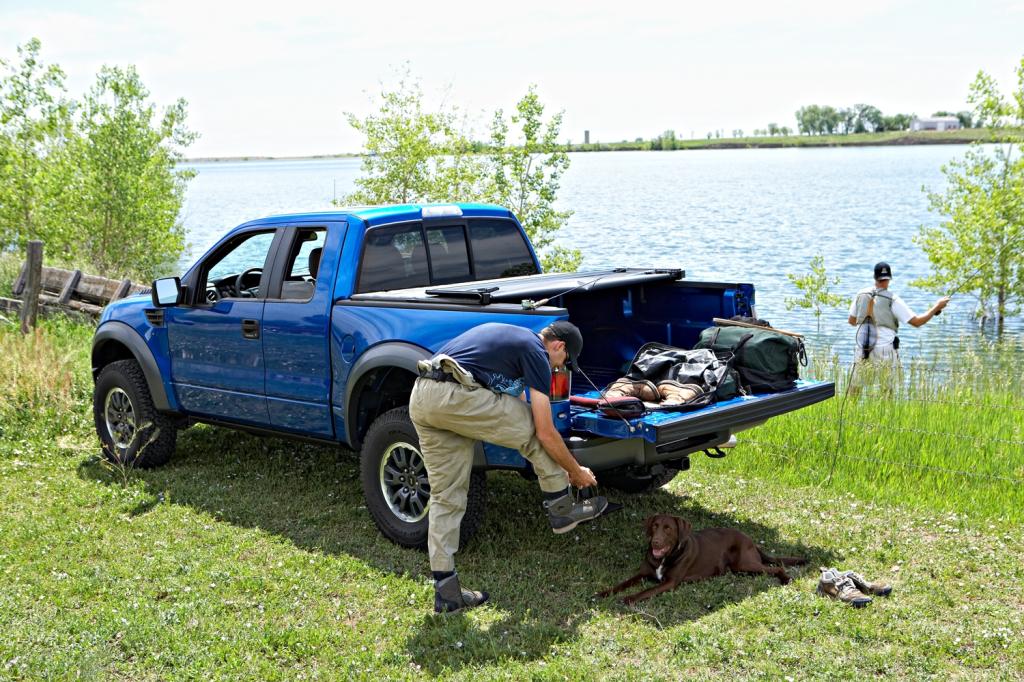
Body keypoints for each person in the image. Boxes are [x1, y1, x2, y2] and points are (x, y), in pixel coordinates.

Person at [409, 320, 611, 614]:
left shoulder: (512, 342)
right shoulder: (536, 351)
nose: (559, 368)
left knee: (446, 496)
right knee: (536, 428)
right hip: (454, 395)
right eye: (565, 362)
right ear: (559, 346)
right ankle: (561, 507)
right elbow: (543, 431)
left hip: (424, 396)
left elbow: (506, 410)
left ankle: (447, 591)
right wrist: (576, 470)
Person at [848, 262, 950, 365]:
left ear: (875, 277)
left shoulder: (861, 294)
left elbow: (852, 321)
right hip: (885, 350)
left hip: (862, 348)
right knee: (887, 381)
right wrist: (936, 307)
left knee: (860, 381)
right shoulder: (893, 299)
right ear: (889, 279)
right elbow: (916, 322)